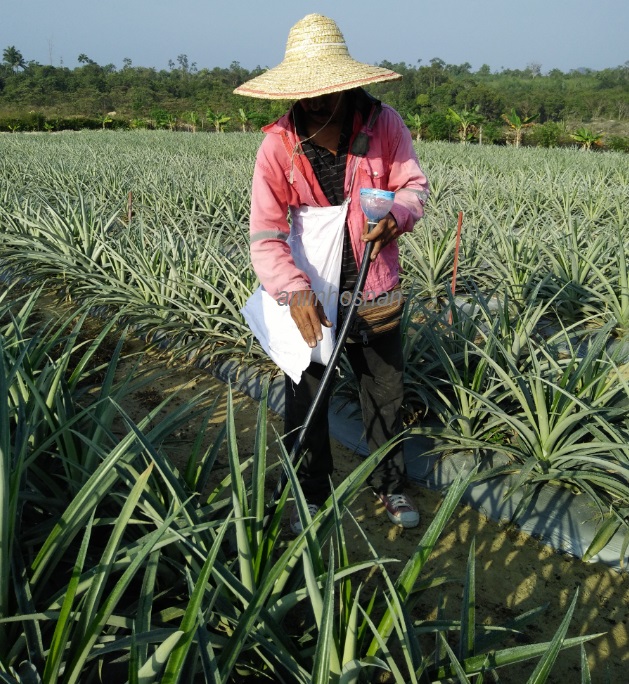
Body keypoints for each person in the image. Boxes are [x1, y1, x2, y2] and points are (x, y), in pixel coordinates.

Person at [235, 14, 429, 534]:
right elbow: (265, 234)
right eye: (304, 90)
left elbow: (413, 186)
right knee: (306, 393)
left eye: (325, 88)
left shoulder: (382, 124)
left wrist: (398, 216)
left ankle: (389, 485)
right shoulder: (278, 144)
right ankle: (310, 491)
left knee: (384, 390)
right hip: (309, 289)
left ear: (344, 82)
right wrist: (293, 290)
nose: (315, 99)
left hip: (373, 282)